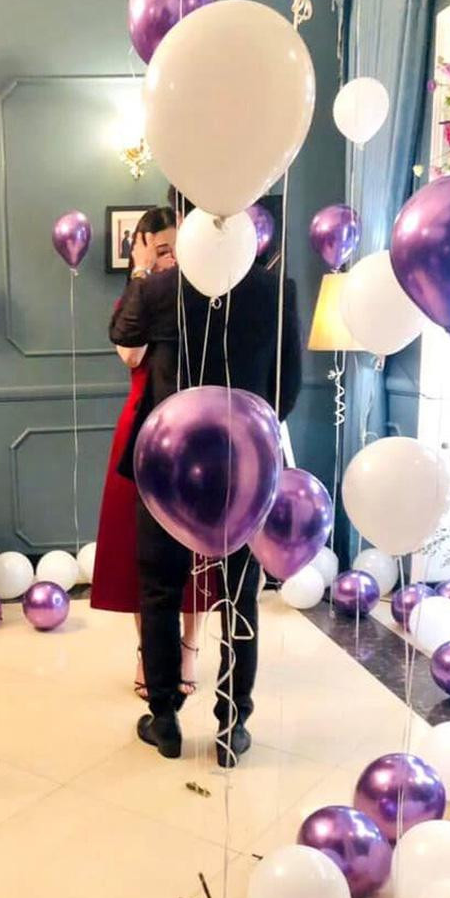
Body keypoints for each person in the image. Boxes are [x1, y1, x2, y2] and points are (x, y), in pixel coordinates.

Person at [111, 189, 302, 768]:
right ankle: (232, 725)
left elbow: (121, 332)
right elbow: (288, 389)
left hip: (166, 467)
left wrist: (142, 270)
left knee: (160, 591)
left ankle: (165, 719)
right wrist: (246, 437)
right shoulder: (275, 290)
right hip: (245, 469)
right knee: (239, 598)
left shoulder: (160, 289)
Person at [92, 206, 209, 696]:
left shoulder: (205, 296)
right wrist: (141, 277)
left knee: (198, 547)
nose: (173, 258)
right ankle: (148, 652)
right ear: (142, 251)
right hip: (142, 431)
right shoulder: (136, 300)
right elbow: (132, 354)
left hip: (197, 433)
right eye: (162, 249)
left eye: (179, 247)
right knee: (137, 550)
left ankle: (189, 649)